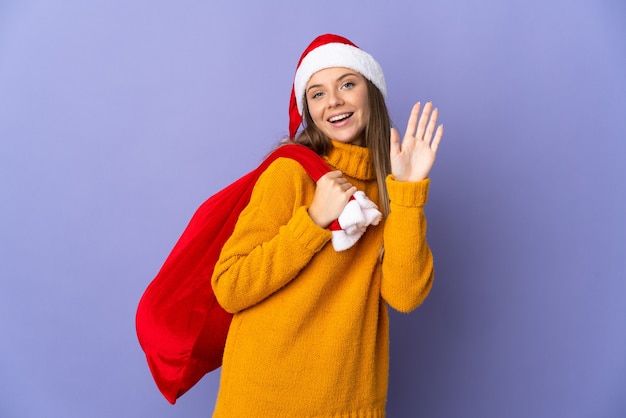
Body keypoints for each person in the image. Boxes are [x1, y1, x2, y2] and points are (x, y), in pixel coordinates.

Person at [210, 33, 443, 417]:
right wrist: (314, 220)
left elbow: (405, 296)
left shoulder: (389, 188)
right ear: (309, 109)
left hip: (347, 404)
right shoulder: (290, 173)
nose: (333, 101)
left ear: (371, 93)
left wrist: (408, 191)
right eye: (317, 93)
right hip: (263, 401)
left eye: (347, 85)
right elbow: (230, 286)